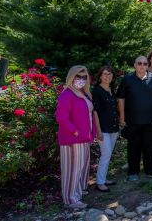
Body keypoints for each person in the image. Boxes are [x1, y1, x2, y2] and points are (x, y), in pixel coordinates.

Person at [118, 56, 152, 181]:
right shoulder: (127, 79)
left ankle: (150, 170)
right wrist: (122, 116)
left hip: (151, 120)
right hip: (133, 120)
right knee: (133, 146)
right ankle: (133, 171)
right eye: (139, 63)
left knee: (150, 146)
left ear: (147, 65)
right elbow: (121, 99)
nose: (142, 65)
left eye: (145, 63)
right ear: (135, 65)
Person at [55, 65, 97, 209]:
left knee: (81, 167)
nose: (81, 79)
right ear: (71, 77)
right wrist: (75, 131)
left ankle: (78, 192)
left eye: (84, 77)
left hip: (84, 138)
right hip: (72, 139)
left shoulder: (83, 94)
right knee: (72, 169)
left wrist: (91, 133)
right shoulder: (67, 94)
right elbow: (61, 117)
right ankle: (70, 199)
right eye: (78, 76)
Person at [92, 66, 119, 192]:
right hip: (102, 128)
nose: (108, 76)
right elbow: (95, 112)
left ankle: (103, 178)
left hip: (113, 127)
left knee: (108, 155)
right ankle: (100, 183)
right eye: (105, 74)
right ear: (100, 76)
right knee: (106, 154)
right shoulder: (97, 91)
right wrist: (98, 131)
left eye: (110, 74)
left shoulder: (111, 89)